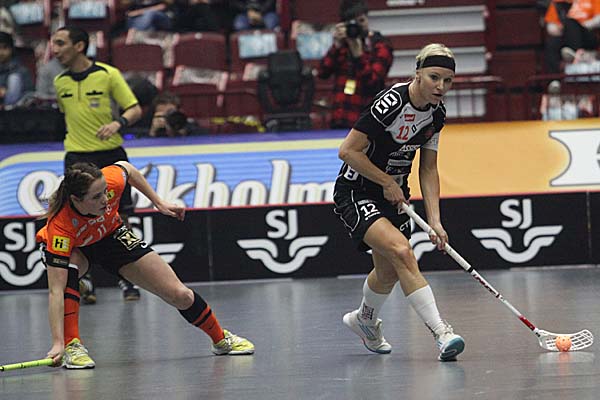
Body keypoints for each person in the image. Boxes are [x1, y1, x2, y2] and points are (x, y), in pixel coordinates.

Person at [37, 161, 254, 368]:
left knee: (180, 295)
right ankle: (71, 345)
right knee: (68, 275)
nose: (105, 199)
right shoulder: (60, 227)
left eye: (104, 192)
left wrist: (159, 202)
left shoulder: (110, 182)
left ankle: (221, 339)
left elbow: (128, 169)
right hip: (75, 248)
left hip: (111, 235)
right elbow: (55, 291)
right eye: (96, 196)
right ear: (76, 200)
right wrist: (57, 343)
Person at [333, 43, 465, 361]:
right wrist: (387, 181)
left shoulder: (436, 115)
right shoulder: (390, 103)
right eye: (434, 77)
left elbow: (428, 169)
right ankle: (442, 333)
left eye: (448, 81)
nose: (441, 86)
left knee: (389, 272)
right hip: (357, 190)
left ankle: (364, 320)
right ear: (417, 73)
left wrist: (435, 221)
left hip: (394, 196)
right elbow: (347, 151)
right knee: (402, 252)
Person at [51, 26, 141, 303]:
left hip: (110, 155)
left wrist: (118, 123)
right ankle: (85, 281)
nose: (55, 49)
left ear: (79, 46)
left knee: (120, 217)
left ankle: (128, 280)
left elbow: (135, 109)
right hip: (77, 158)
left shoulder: (108, 74)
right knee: (77, 220)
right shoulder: (60, 82)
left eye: (60, 43)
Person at [317, 0, 393, 129]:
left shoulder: (379, 45)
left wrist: (358, 55)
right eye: (351, 23)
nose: (357, 27)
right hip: (340, 117)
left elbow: (373, 82)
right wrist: (336, 45)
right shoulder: (342, 45)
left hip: (368, 120)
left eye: (361, 21)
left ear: (367, 19)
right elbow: (322, 73)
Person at [0, 30, 33, 107]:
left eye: (4, 48)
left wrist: (6, 93)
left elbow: (30, 94)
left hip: (16, 109)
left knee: (14, 79)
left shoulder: (22, 71)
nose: (1, 52)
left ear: (11, 49)